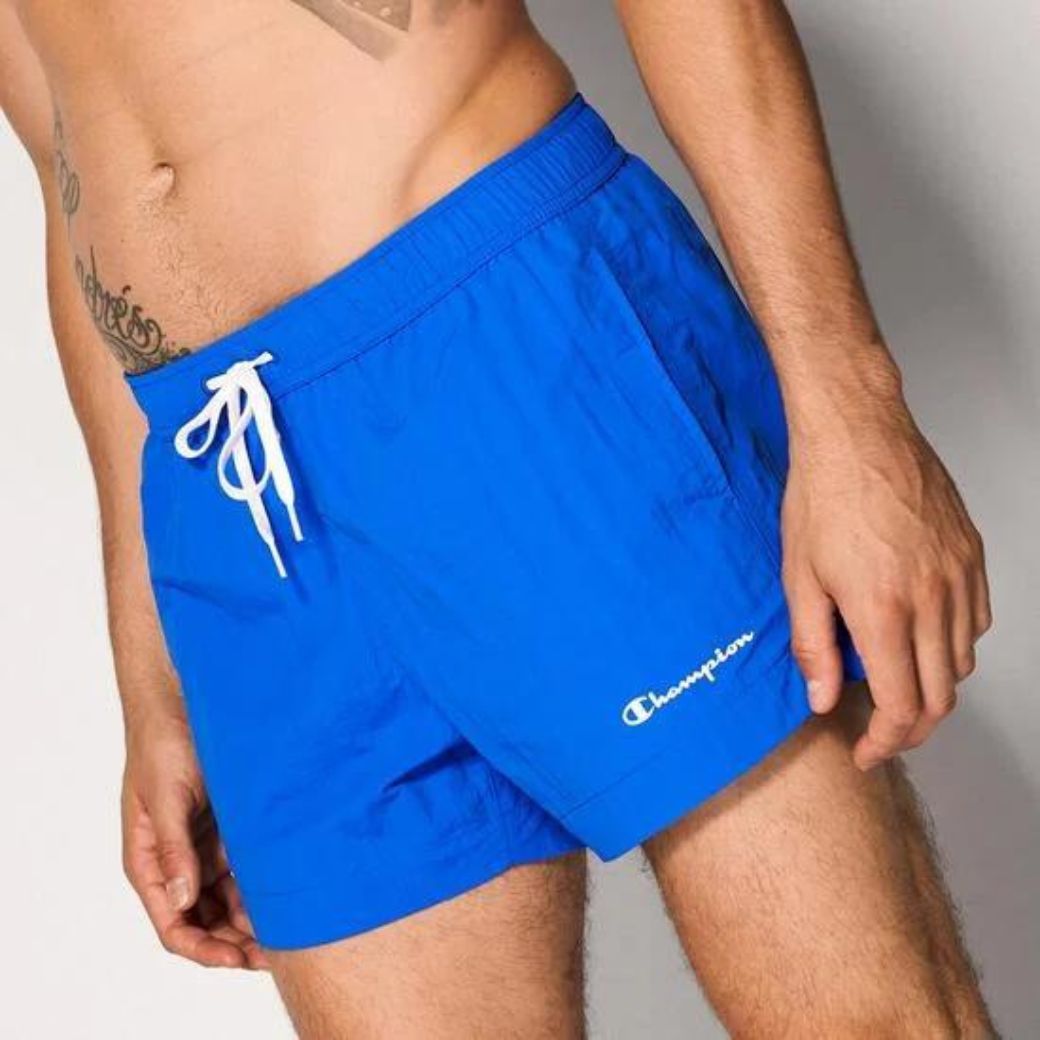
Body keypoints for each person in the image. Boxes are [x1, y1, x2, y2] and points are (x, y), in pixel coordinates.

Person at [0, 1, 996, 1036]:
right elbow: (61, 144)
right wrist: (150, 669)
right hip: (226, 478)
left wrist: (851, 405)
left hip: (506, 336)